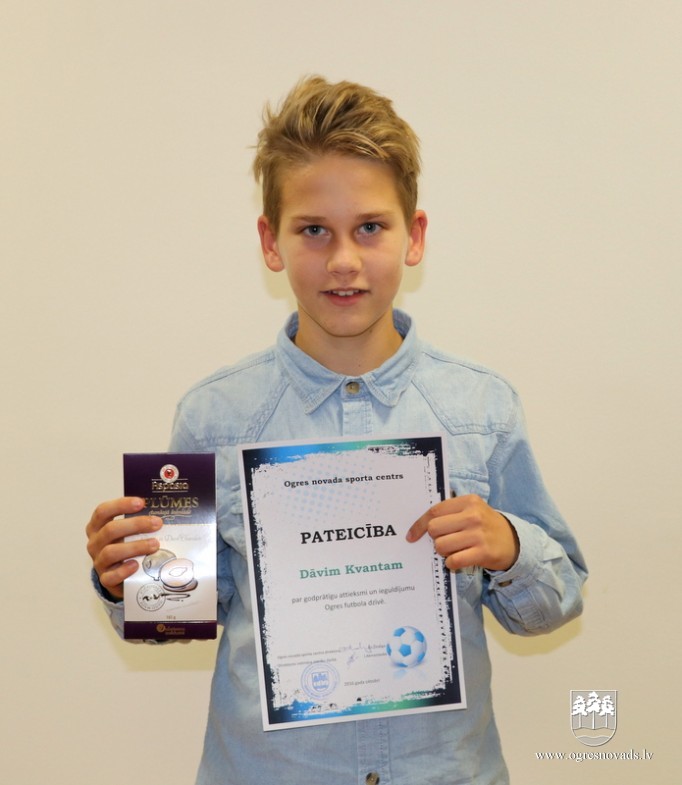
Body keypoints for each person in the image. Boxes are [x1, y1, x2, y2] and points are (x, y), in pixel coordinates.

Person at [86, 76, 587, 784]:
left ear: (414, 237)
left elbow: (557, 602)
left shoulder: (481, 408)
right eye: (314, 229)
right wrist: (126, 579)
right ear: (271, 241)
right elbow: (178, 611)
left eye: (371, 227)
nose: (344, 259)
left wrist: (508, 545)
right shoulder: (214, 416)